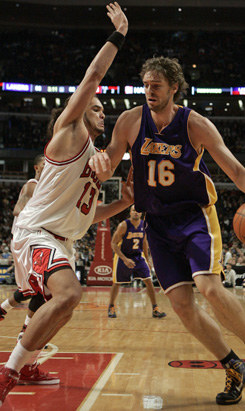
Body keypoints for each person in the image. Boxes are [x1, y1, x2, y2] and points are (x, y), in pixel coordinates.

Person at [89, 56, 245, 405]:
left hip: (195, 217)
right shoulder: (130, 122)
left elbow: (236, 170)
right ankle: (233, 366)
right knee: (182, 306)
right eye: (146, 85)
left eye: (157, 86)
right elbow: (108, 166)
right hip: (157, 223)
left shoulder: (195, 124)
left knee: (209, 288)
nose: (149, 92)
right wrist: (99, 162)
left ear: (174, 88)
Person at [0, 3, 131, 406]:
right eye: (96, 107)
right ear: (76, 114)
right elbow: (92, 78)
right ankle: (8, 373)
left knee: (57, 306)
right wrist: (118, 35)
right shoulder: (69, 134)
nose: (102, 111)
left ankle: (30, 361)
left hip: (61, 239)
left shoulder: (97, 160)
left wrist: (123, 202)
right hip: (36, 233)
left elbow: (91, 215)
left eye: (103, 109)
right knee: (70, 294)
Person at [0, 155, 46, 343]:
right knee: (41, 289)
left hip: (28, 240)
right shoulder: (32, 185)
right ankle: (25, 331)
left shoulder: (46, 188)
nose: (48, 167)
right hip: (25, 240)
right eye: (44, 165)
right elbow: (18, 209)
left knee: (31, 290)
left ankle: (3, 309)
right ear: (36, 167)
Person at [108, 204, 166, 319]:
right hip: (123, 256)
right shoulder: (123, 225)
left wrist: (147, 259)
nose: (136, 212)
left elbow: (144, 242)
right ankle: (111, 306)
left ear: (141, 213)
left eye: (138, 211)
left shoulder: (144, 225)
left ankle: (155, 308)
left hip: (138, 257)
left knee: (148, 281)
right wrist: (125, 259)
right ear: (130, 212)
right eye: (134, 210)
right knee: (117, 283)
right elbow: (113, 244)